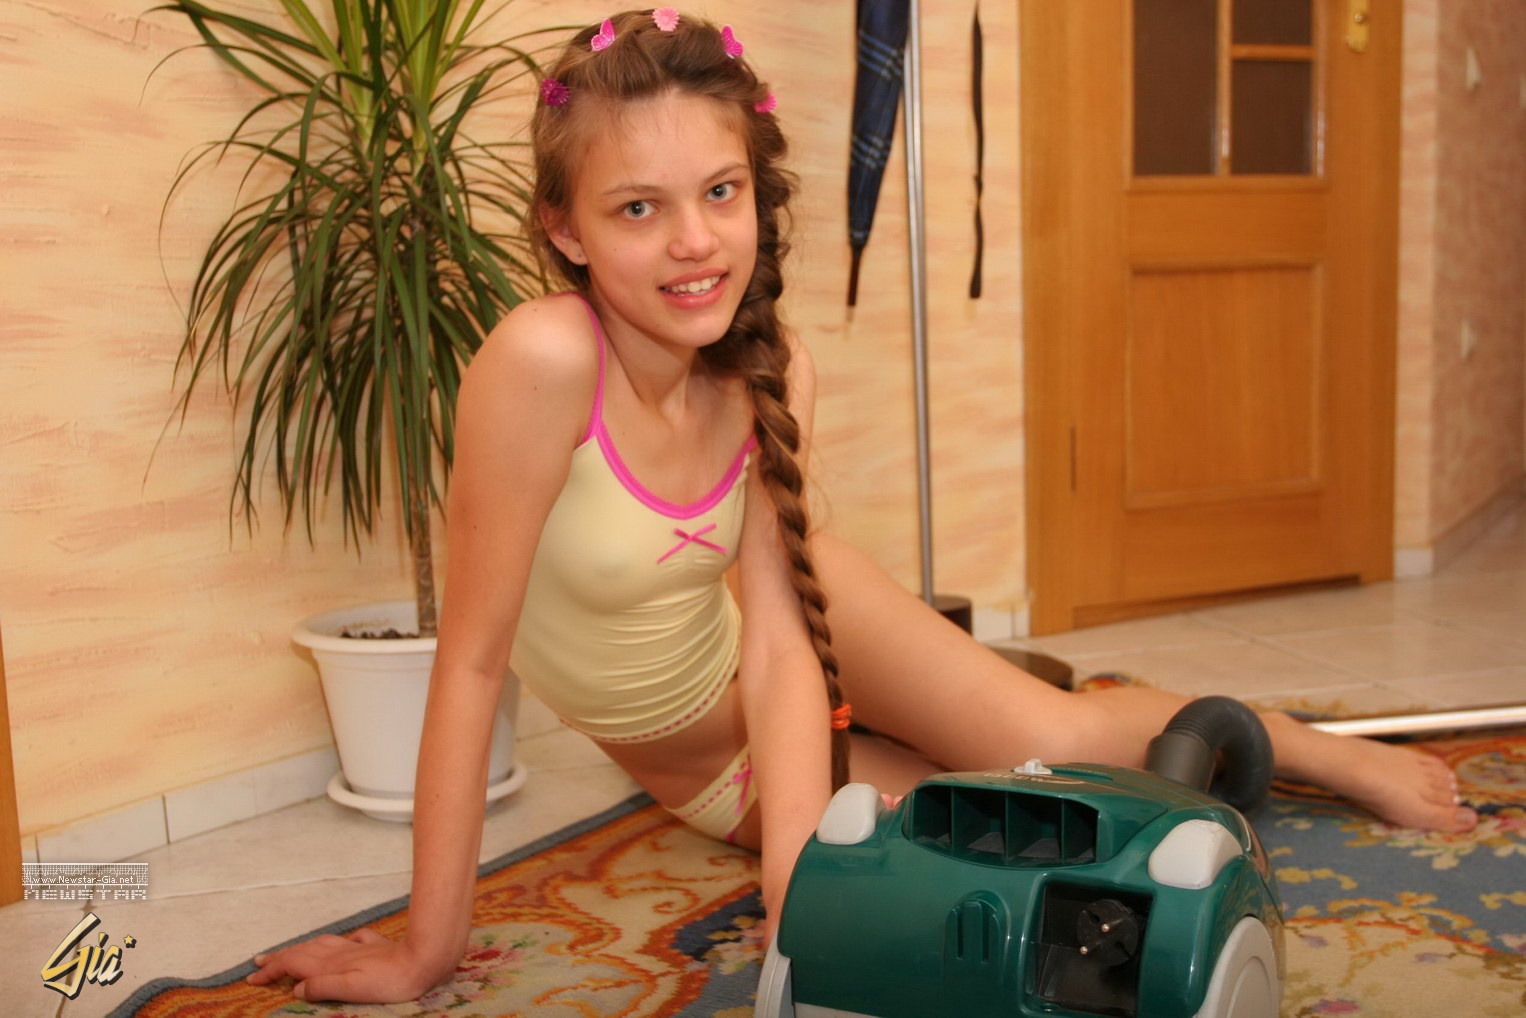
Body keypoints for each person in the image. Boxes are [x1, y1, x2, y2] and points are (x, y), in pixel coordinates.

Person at [244, 9, 1476, 1004]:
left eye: (719, 191)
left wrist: (794, 894)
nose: (693, 242)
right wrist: (429, 946)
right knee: (997, 820)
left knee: (1031, 736)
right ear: (562, 229)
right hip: (704, 767)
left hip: (795, 633)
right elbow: (470, 662)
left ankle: (1304, 746)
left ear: (755, 191)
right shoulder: (540, 362)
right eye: (637, 208)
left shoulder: (767, 369)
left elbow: (780, 649)